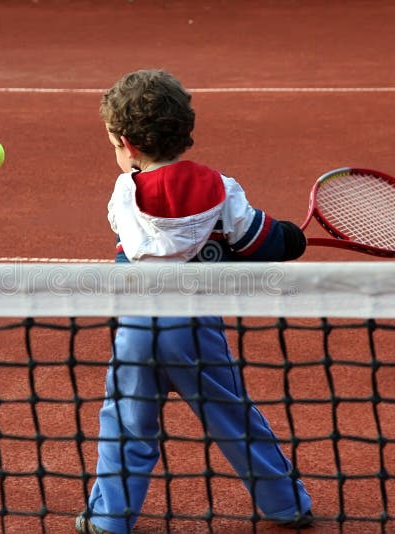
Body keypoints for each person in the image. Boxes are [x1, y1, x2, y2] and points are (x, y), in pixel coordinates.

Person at [76, 69, 312, 534]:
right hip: (194, 329)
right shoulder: (221, 187)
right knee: (233, 417)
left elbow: (133, 253)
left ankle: (108, 518)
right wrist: (287, 239)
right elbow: (256, 242)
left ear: (127, 143)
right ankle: (287, 505)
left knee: (125, 423)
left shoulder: (123, 195)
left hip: (137, 329)